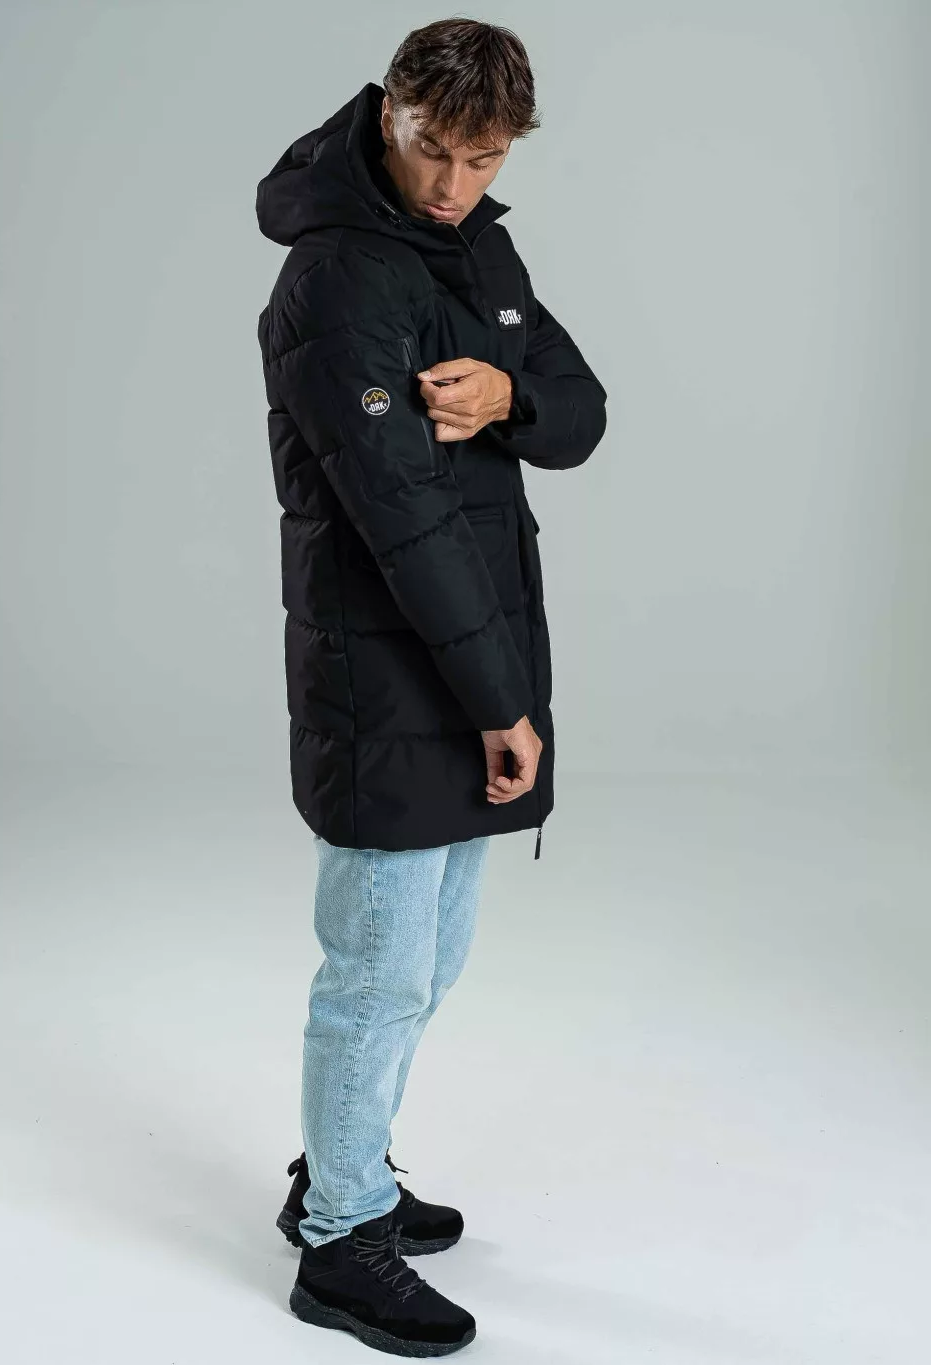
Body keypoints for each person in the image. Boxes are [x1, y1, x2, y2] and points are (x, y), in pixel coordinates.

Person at [255, 17, 607, 1356]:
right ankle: (339, 1240)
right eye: (434, 149)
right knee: (377, 974)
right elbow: (398, 516)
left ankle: (342, 1169)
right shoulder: (337, 279)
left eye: (487, 157)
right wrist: (501, 707)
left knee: (431, 961)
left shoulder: (477, 250)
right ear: (389, 109)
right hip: (386, 667)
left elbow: (580, 407)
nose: (455, 183)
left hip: (468, 655)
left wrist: (506, 398)